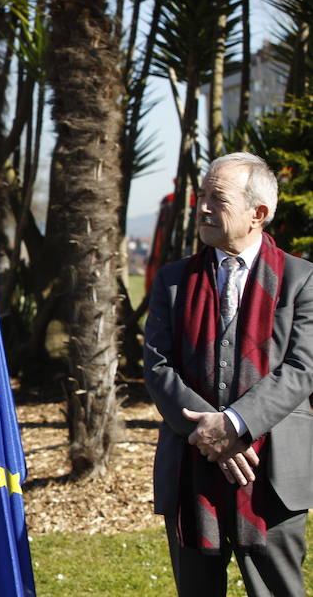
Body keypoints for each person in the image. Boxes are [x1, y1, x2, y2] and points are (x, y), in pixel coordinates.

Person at [144, 152, 313, 596]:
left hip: (272, 476)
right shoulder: (173, 280)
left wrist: (235, 425)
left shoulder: (302, 280)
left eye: (216, 198)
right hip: (190, 468)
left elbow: (301, 368)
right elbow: (158, 366)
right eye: (201, 195)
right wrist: (210, 433)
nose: (201, 207)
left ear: (258, 213)